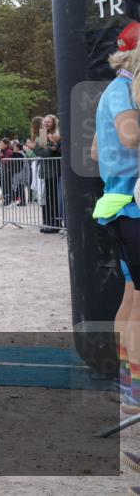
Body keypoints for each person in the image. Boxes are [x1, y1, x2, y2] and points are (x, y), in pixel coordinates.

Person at [91, 24, 140, 413]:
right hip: (133, 207)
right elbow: (129, 136)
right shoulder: (125, 91)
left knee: (131, 297)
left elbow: (95, 151)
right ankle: (135, 393)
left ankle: (129, 386)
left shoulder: (112, 90)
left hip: (119, 205)